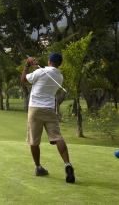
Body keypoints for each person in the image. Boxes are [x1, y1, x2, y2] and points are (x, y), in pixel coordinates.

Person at [20, 52, 75, 183]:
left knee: (34, 140)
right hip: (49, 109)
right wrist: (36, 66)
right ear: (59, 64)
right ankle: (67, 163)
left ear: (49, 60)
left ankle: (38, 167)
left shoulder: (42, 72)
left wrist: (27, 64)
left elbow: (24, 80)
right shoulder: (59, 76)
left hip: (35, 109)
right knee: (57, 137)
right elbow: (42, 75)